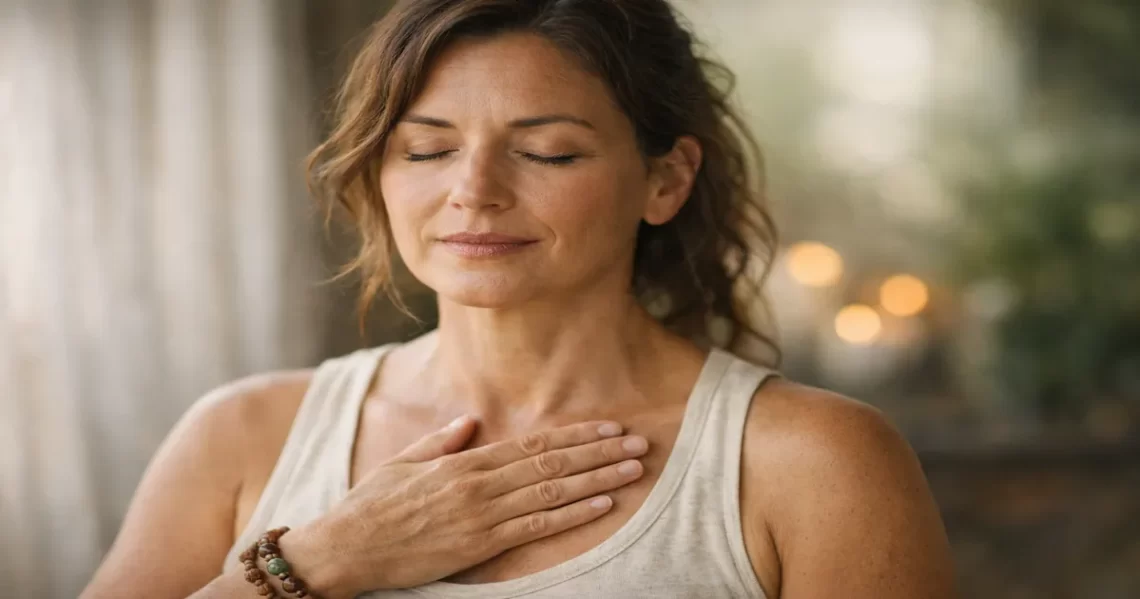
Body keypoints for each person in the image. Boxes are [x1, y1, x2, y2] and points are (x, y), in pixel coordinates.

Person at [82, 0, 956, 597]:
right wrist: (322, 557)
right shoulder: (239, 436)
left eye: (548, 153)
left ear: (665, 178)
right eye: (426, 151)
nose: (474, 190)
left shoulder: (815, 462)